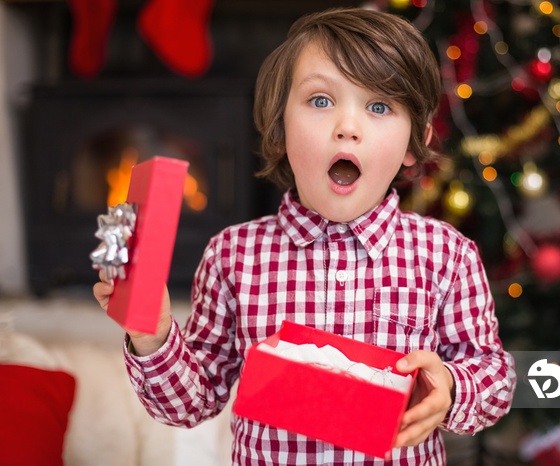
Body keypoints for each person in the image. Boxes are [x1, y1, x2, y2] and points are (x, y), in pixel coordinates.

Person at [94, 7, 516, 465]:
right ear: (279, 132)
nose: (347, 127)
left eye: (378, 106)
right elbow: (190, 404)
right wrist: (154, 338)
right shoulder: (232, 256)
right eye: (320, 100)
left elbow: (495, 378)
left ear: (415, 143)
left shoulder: (447, 255)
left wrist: (452, 390)